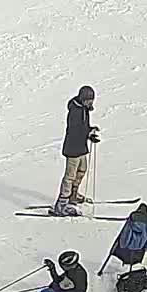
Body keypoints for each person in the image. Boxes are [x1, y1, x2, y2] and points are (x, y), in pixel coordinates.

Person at [54, 85, 99, 213]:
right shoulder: (75, 111)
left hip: (81, 147)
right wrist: (88, 134)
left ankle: (73, 194)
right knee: (70, 175)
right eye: (89, 100)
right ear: (83, 99)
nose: (91, 102)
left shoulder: (84, 109)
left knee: (82, 170)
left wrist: (90, 131)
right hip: (73, 148)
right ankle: (62, 203)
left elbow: (84, 126)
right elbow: (75, 130)